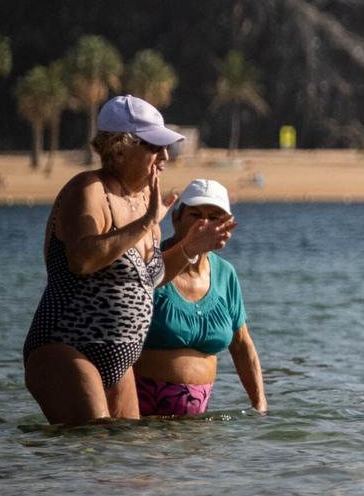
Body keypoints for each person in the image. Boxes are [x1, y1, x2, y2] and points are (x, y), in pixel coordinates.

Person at [22, 95, 234, 425]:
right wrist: (146, 222)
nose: (164, 157)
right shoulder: (89, 189)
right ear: (119, 149)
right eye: (154, 147)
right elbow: (82, 260)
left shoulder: (142, 201)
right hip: (66, 347)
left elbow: (152, 276)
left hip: (118, 362)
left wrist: (191, 247)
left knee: (130, 460)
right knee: (97, 438)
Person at [135, 178, 265, 417]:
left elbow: (241, 344)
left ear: (228, 225)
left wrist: (260, 405)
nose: (204, 224)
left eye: (215, 217)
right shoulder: (152, 264)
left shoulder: (225, 274)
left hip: (196, 424)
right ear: (176, 218)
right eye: (195, 215)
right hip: (140, 416)